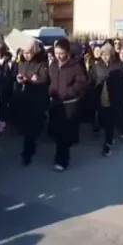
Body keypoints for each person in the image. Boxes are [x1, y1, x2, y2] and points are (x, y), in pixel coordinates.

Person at [47, 38, 87, 171]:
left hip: (69, 104)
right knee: (57, 132)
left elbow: (80, 84)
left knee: (64, 133)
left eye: (61, 53)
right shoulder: (53, 65)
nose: (59, 56)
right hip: (56, 103)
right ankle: (60, 154)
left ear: (68, 52)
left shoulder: (76, 66)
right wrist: (50, 90)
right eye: (56, 53)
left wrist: (66, 92)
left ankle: (62, 160)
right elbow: (49, 81)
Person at [15, 40, 49, 165]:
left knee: (32, 127)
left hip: (36, 98)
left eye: (29, 52)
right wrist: (20, 79)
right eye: (24, 52)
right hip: (23, 97)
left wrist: (29, 80)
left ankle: (27, 152)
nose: (26, 55)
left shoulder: (41, 62)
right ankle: (30, 146)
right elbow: (19, 74)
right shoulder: (22, 63)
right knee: (26, 127)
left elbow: (43, 78)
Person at [90, 44, 123, 157]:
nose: (105, 57)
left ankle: (108, 142)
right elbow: (91, 81)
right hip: (101, 98)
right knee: (104, 120)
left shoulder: (119, 66)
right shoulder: (97, 66)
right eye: (103, 54)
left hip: (115, 98)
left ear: (112, 55)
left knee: (110, 121)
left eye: (108, 54)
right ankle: (108, 137)